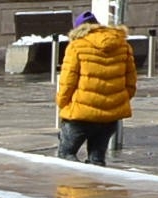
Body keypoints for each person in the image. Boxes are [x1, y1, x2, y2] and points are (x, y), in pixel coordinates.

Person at [56, 11, 137, 166]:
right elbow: (131, 81)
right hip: (110, 116)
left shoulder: (76, 46)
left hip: (80, 114)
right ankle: (96, 189)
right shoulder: (122, 45)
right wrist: (119, 100)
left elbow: (68, 81)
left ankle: (71, 187)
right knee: (97, 160)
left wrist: (62, 103)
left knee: (66, 155)